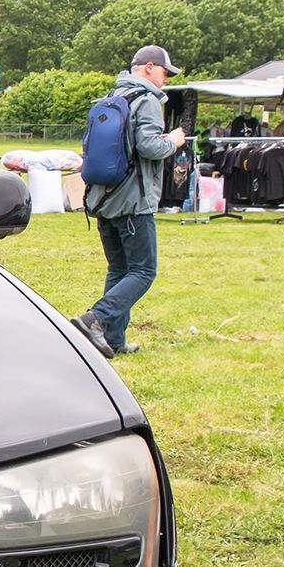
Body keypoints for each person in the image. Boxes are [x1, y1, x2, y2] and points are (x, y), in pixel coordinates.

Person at [72, 45, 186, 359]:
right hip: (133, 202)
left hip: (103, 197)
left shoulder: (110, 99)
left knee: (119, 269)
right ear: (149, 68)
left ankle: (112, 339)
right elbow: (149, 146)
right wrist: (173, 141)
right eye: (165, 72)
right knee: (143, 270)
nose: (165, 79)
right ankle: (95, 318)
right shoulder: (147, 101)